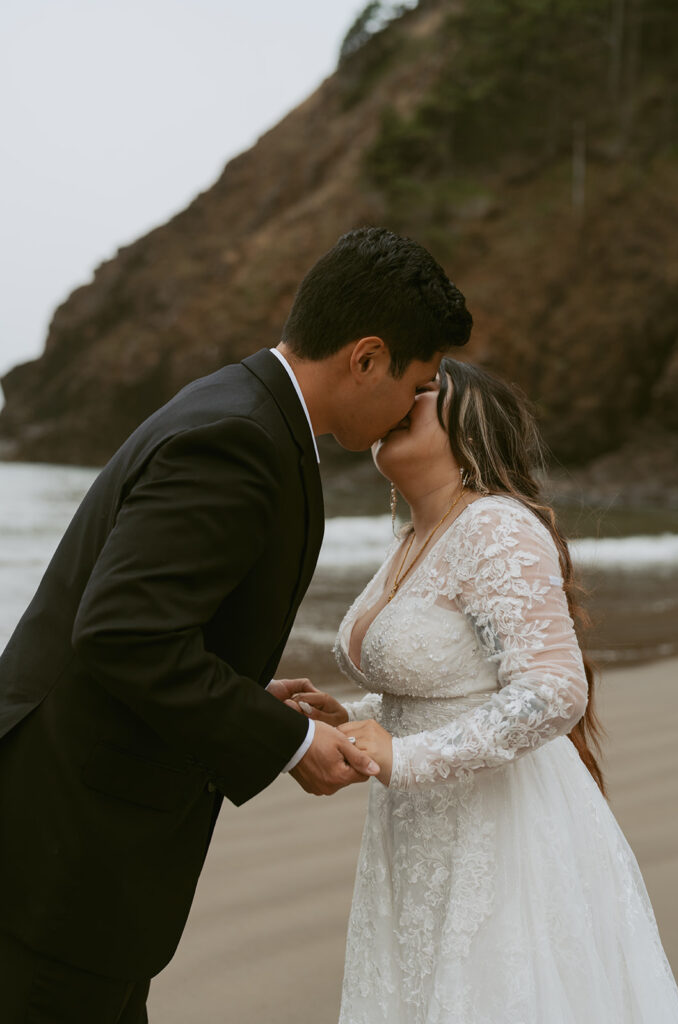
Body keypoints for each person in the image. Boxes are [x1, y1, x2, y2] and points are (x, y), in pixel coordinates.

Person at [0, 227, 473, 1022]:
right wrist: (282, 741)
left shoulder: (247, 413)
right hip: (63, 853)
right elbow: (123, 633)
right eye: (417, 381)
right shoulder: (237, 439)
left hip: (79, 845)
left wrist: (247, 690)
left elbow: (155, 624)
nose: (416, 405)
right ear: (364, 357)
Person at [280, 359, 678, 1023]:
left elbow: (554, 690)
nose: (402, 400)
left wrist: (402, 758)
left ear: (471, 430)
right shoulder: (412, 538)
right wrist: (352, 716)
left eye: (422, 394)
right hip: (417, 831)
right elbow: (458, 687)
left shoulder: (494, 526)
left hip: (495, 831)